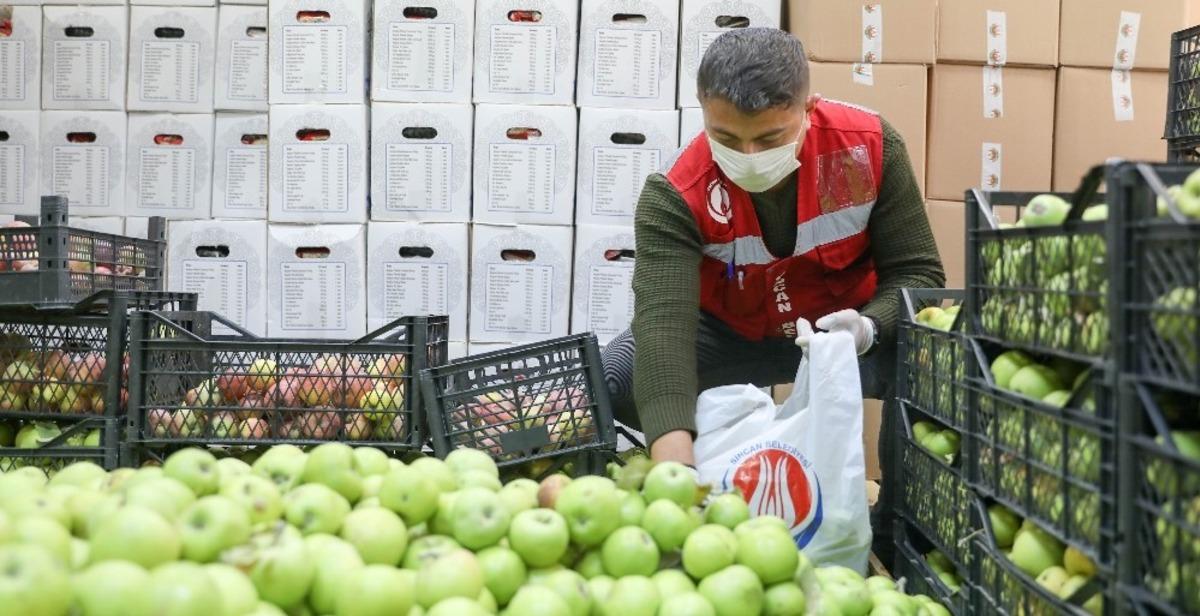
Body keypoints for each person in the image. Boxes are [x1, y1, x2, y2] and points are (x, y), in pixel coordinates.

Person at [600, 28, 945, 566]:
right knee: (617, 378)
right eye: (727, 138)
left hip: (841, 338)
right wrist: (677, 481)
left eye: (769, 138)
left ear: (808, 107)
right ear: (703, 112)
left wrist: (868, 326)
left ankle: (894, 527)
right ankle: (718, 474)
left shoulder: (867, 150)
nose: (749, 156)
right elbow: (664, 331)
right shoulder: (676, 194)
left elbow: (918, 273)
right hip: (728, 334)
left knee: (931, 359)